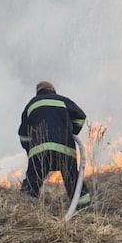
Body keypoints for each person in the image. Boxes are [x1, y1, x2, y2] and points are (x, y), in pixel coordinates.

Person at [18, 81, 91, 209]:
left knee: (33, 179)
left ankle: (25, 209)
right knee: (72, 179)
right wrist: (70, 131)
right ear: (53, 90)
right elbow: (81, 117)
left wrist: (30, 150)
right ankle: (84, 208)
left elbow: (23, 134)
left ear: (38, 91)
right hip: (65, 149)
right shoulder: (62, 101)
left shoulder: (32, 104)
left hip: (40, 151)